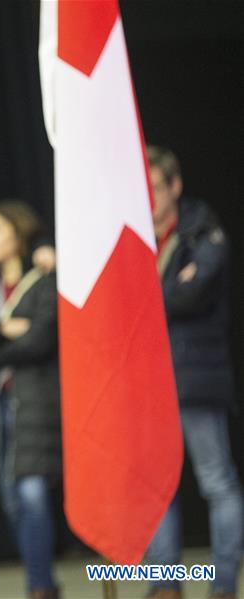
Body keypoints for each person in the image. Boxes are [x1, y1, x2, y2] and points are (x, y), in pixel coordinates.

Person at [144, 146, 242, 599]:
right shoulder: (135, 237)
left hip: (197, 377)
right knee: (155, 488)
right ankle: (166, 584)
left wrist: (145, 299)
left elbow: (192, 294)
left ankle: (221, 584)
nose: (148, 197)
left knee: (217, 481)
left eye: (156, 186)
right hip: (149, 383)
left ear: (175, 186)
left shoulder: (204, 229)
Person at [0, 201, 61, 599]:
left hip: (35, 398)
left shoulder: (44, 275)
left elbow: (41, 340)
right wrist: (5, 330)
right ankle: (41, 580)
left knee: (32, 493)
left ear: (17, 233)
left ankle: (42, 586)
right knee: (10, 499)